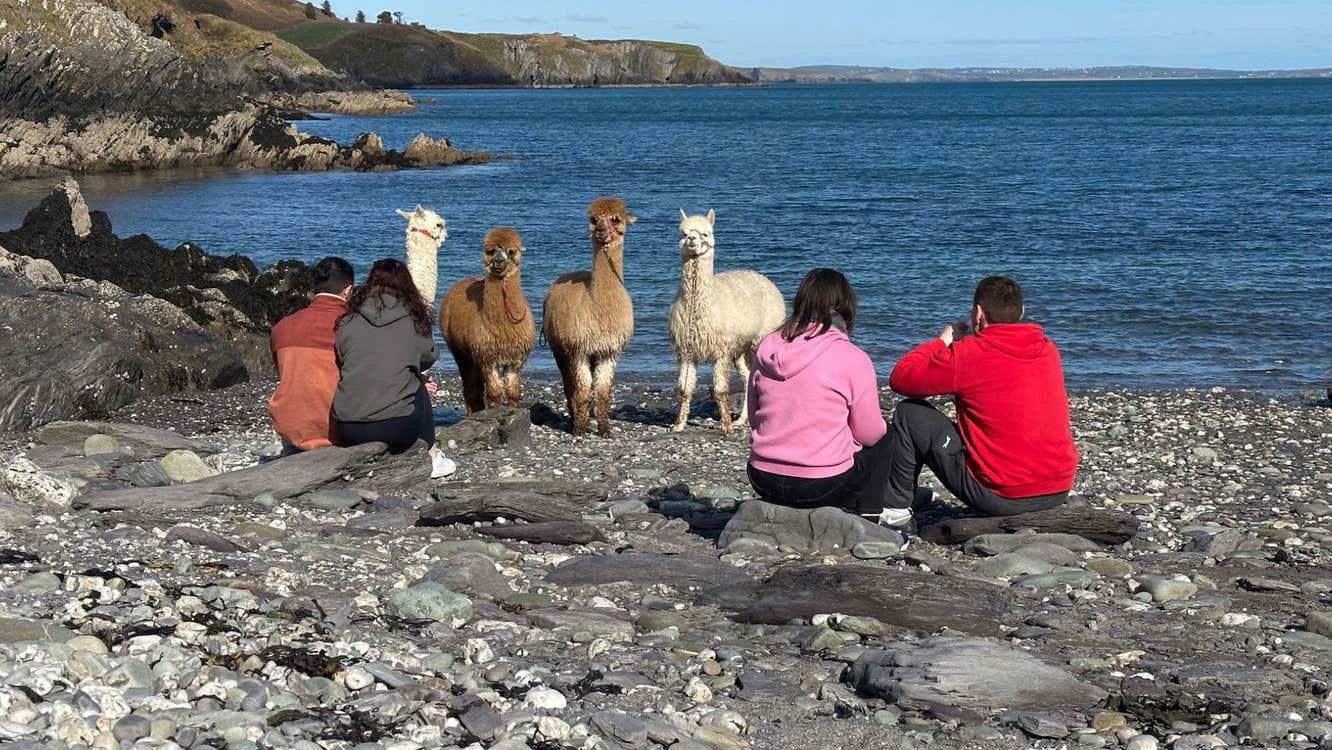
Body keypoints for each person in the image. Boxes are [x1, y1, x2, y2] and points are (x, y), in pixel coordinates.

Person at [887, 275, 1078, 518]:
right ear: (1021, 311)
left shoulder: (970, 354)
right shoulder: (1046, 348)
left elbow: (902, 377)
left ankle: (895, 512)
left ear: (978, 314)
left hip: (1002, 496)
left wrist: (943, 341)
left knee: (910, 412)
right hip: (1057, 487)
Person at [745, 268, 913, 535]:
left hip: (763, 478)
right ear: (844, 308)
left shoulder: (767, 348)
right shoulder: (851, 357)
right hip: (822, 486)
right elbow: (869, 435)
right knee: (885, 435)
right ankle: (869, 522)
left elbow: (755, 418)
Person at [333, 258, 456, 479]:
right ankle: (432, 455)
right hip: (396, 428)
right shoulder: (414, 318)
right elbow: (428, 357)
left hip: (348, 428)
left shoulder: (349, 318)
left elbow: (343, 356)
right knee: (418, 381)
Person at [268, 256, 354, 454]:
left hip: (291, 430)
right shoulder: (353, 327)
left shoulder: (282, 327)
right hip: (338, 432)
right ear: (348, 290)